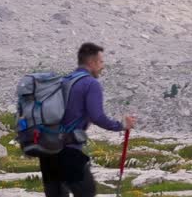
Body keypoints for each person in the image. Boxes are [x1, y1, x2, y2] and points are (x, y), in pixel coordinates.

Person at [39, 43, 137, 197]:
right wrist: (121, 125)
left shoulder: (63, 81)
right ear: (91, 63)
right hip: (69, 152)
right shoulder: (91, 84)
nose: (102, 66)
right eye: (101, 62)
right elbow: (97, 116)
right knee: (87, 193)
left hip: (47, 152)